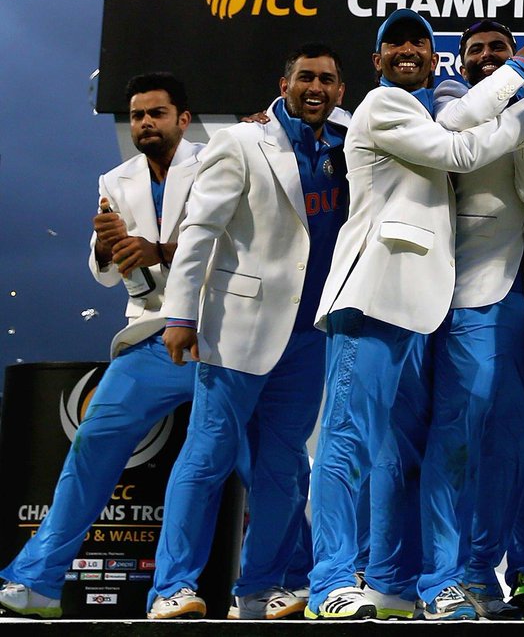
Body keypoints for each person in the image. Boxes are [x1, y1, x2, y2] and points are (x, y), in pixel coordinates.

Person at [304, 9, 524, 620]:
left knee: (402, 449)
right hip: (371, 295)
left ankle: (409, 581)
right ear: (378, 60)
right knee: (346, 441)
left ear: (432, 57)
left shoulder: (417, 109)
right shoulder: (385, 106)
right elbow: (461, 151)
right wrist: (523, 98)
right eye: (395, 42)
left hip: (418, 309)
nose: (408, 49)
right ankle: (329, 581)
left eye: (419, 41)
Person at [145, 43, 350, 620]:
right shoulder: (239, 141)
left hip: (311, 334)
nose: (316, 87)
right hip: (236, 327)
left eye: (327, 80)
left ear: (340, 90)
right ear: (284, 85)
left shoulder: (348, 139)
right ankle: (171, 589)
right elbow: (199, 232)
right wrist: (180, 316)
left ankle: (257, 590)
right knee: (207, 457)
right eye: (305, 77)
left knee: (285, 469)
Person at [0, 73, 202, 620]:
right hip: (151, 340)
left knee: (259, 462)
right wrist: (107, 247)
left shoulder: (216, 163)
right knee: (92, 444)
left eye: (156, 114)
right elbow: (107, 275)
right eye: (137, 115)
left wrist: (157, 249)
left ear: (183, 118)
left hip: (220, 339)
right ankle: (37, 581)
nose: (145, 124)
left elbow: (232, 242)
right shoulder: (114, 178)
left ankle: (286, 580)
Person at [418, 19, 524, 619]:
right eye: (475, 49)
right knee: (463, 431)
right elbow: (458, 132)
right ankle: (453, 574)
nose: (485, 56)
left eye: (497, 49)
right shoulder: (454, 100)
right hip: (472, 289)